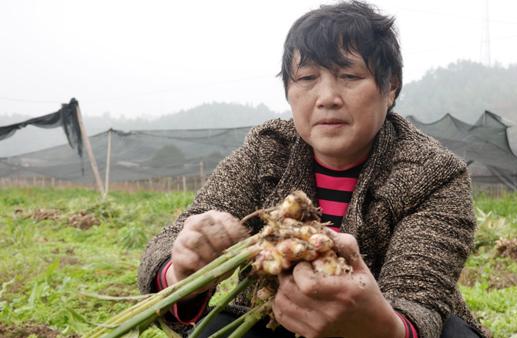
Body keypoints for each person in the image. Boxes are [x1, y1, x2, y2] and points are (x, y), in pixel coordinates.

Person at [138, 1, 486, 337]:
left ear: (390, 86)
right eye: (307, 78)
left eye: (349, 75)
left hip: (382, 329)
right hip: (276, 322)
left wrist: (378, 325)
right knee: (212, 329)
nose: (327, 97)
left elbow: (417, 300)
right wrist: (182, 268)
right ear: (288, 89)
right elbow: (170, 245)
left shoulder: (434, 175)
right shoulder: (268, 150)